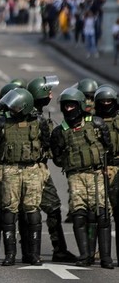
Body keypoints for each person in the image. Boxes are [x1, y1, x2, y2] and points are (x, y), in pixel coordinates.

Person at [50, 87, 114, 269]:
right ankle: (85, 255)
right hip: (75, 176)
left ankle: (106, 258)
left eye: (72, 106)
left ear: (79, 106)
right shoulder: (59, 131)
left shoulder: (96, 124)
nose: (69, 110)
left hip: (96, 174)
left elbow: (107, 146)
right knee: (79, 214)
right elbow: (57, 157)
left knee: (102, 214)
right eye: (66, 106)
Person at [0, 87, 51, 266]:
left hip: (32, 169)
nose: (12, 109)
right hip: (10, 169)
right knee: (9, 210)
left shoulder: (39, 122)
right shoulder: (1, 122)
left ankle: (33, 254)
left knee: (32, 210)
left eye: (16, 107)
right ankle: (10, 254)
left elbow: (46, 145)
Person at [27, 76, 77, 263]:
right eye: (47, 92)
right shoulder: (31, 116)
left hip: (41, 169)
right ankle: (29, 250)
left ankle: (58, 249)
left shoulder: (39, 114)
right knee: (28, 210)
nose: (51, 95)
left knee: (53, 207)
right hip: (31, 170)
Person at [93, 84, 119, 262]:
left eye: (109, 101)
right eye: (102, 102)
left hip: (117, 168)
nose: (106, 104)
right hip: (99, 169)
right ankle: (102, 253)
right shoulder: (92, 121)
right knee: (99, 214)